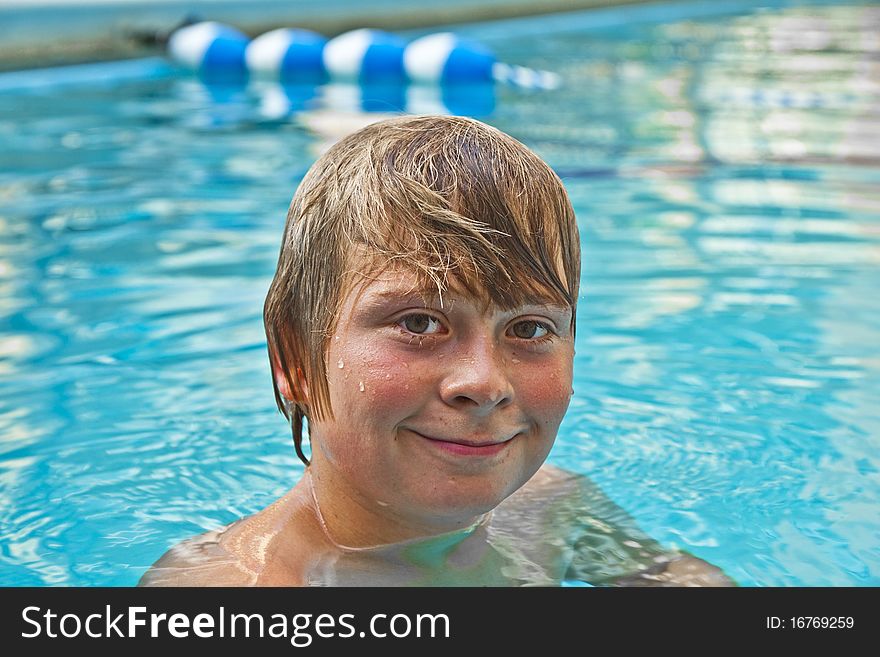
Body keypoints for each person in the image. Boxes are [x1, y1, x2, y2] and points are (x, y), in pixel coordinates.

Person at [139, 115, 734, 587]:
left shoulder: (550, 510)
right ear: (294, 360)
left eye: (528, 329)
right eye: (418, 323)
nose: (484, 382)